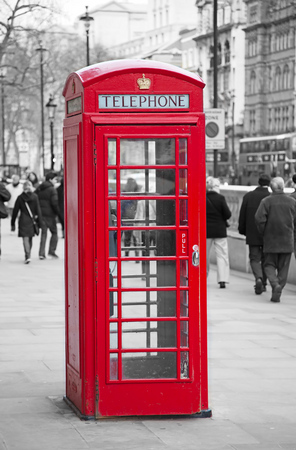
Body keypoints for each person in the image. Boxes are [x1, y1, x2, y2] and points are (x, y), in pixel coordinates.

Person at [255, 177, 296, 302]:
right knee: (284, 267)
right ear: (283, 186)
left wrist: (264, 232)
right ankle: (279, 287)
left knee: (268, 264)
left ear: (270, 188)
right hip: (287, 239)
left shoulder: (266, 201)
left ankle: (274, 283)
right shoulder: (292, 201)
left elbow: (259, 219)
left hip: (271, 239)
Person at [238, 174, 271, 294]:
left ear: (258, 182)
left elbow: (242, 216)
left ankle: (258, 278)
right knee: (266, 259)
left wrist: (242, 230)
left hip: (252, 232)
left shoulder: (248, 196)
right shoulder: (270, 197)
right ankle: (264, 283)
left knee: (254, 258)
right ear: (269, 182)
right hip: (267, 234)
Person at [206, 177, 232, 288]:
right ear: (214, 187)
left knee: (204, 256)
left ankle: (202, 276)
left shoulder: (202, 197)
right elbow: (228, 214)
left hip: (205, 231)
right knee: (222, 255)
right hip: (220, 231)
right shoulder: (220, 198)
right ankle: (222, 279)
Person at [11, 180, 42, 264]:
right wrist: (40, 222)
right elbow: (38, 210)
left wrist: (12, 223)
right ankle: (29, 255)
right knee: (30, 237)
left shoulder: (20, 197)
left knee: (25, 238)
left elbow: (15, 211)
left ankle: (27, 255)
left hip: (23, 219)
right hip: (32, 220)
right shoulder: (35, 196)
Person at [36, 171, 61, 259]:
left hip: (41, 214)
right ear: (50, 179)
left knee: (44, 234)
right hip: (50, 215)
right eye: (55, 179)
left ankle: (41, 253)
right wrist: (58, 213)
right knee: (54, 233)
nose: (56, 181)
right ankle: (51, 251)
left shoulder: (39, 188)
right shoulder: (52, 189)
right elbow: (54, 203)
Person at [121, 178, 139, 257]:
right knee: (135, 237)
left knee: (127, 237)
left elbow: (121, 208)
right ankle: (137, 254)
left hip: (127, 218)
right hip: (135, 218)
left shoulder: (124, 194)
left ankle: (127, 254)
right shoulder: (137, 194)